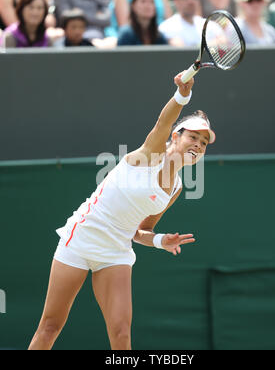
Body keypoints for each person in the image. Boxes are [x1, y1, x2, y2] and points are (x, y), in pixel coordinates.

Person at [28, 70, 216, 350]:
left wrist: (160, 241)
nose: (198, 146)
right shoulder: (149, 154)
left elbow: (140, 231)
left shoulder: (176, 187)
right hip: (81, 238)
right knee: (51, 326)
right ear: (176, 137)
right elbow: (162, 122)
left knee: (121, 334)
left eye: (203, 144)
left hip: (115, 251)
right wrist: (182, 95)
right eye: (193, 138)